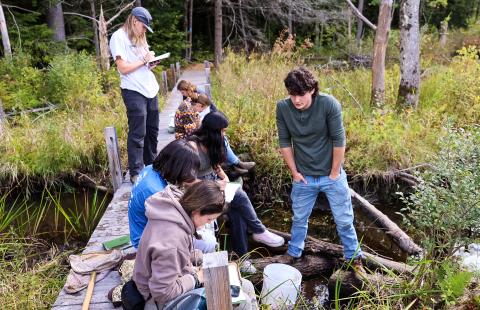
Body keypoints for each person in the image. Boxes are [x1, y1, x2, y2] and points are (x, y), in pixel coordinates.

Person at [276, 67, 363, 268]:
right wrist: (294, 173)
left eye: (301, 94)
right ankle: (294, 252)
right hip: (304, 177)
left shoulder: (328, 104)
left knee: (343, 220)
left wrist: (334, 173)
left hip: (331, 176)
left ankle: (353, 257)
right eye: (292, 94)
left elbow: (339, 140)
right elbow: (284, 141)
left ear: (313, 89)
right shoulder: (283, 108)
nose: (296, 100)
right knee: (299, 218)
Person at [133, 181, 258, 309]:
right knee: (244, 303)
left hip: (174, 280)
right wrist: (197, 277)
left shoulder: (174, 211)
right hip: (158, 302)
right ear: (196, 211)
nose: (207, 224)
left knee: (246, 285)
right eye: (209, 219)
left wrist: (202, 259)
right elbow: (162, 293)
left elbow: (174, 256)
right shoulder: (173, 239)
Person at [188, 111, 285, 272]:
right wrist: (214, 184)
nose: (224, 135)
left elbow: (215, 164)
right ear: (213, 131)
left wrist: (223, 176)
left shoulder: (211, 143)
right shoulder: (193, 148)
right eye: (223, 131)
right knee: (239, 193)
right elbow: (187, 181)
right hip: (200, 193)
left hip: (212, 187)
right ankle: (258, 231)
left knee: (237, 211)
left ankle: (243, 259)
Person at [128, 139, 217, 253]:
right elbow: (177, 225)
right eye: (188, 169)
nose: (189, 174)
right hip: (145, 242)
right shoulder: (156, 193)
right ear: (178, 166)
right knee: (208, 242)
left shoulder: (150, 169)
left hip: (142, 230)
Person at [109, 7, 160, 183]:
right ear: (134, 21)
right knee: (138, 132)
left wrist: (150, 62)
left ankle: (152, 166)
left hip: (150, 88)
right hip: (133, 90)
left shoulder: (140, 37)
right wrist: (143, 61)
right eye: (143, 26)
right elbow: (123, 68)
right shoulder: (118, 37)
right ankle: (136, 172)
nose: (145, 30)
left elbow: (142, 63)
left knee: (152, 130)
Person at [176, 81, 255, 176]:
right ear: (198, 105)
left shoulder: (191, 105)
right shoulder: (187, 109)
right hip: (185, 139)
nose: (202, 112)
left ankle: (235, 165)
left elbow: (197, 125)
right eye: (203, 109)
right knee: (216, 137)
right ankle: (235, 164)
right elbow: (191, 132)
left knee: (220, 136)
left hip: (192, 134)